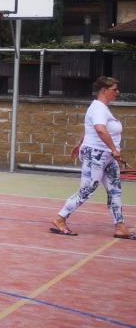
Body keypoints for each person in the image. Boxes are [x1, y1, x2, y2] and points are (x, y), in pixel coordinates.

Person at [51, 76, 134, 238]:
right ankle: (60, 218)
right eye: (114, 89)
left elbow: (89, 128)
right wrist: (114, 149)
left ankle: (120, 227)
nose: (117, 92)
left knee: (115, 190)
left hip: (107, 156)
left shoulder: (103, 108)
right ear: (104, 90)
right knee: (87, 189)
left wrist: (80, 143)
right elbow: (100, 129)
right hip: (96, 155)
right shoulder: (98, 108)